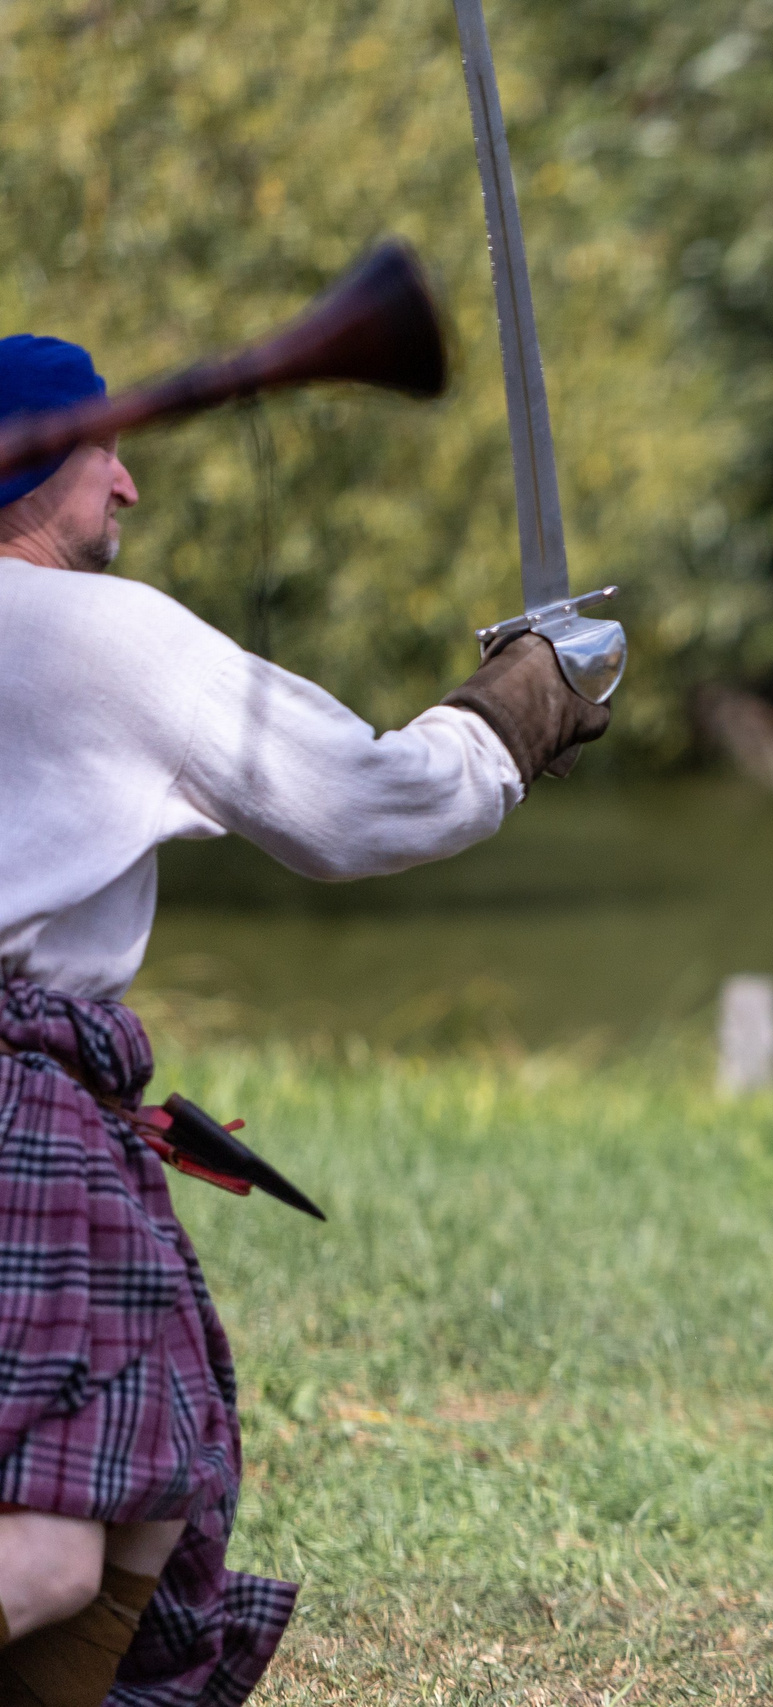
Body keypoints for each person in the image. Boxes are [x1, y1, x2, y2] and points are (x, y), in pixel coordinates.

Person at [0, 333, 609, 1707]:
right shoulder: (105, 637)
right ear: (32, 463)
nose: (129, 485)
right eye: (105, 451)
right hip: (16, 1121)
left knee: (151, 1479)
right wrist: (515, 711)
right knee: (46, 1551)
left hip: (58, 1114)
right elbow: (365, 806)